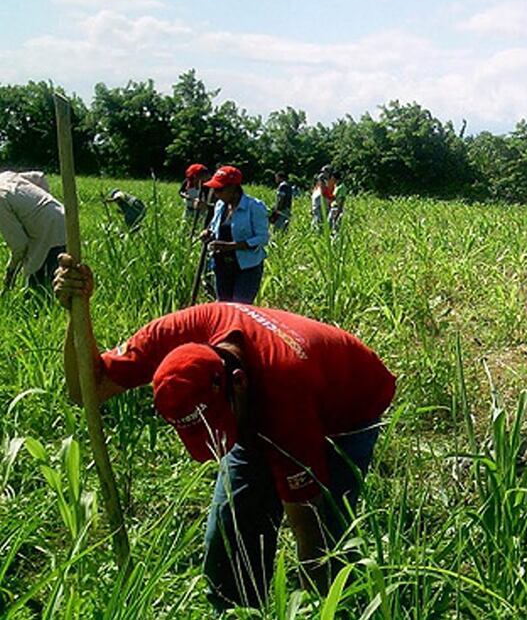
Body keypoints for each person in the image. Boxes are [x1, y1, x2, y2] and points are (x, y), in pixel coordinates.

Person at [52, 257, 396, 609]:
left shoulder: (284, 402)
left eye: (218, 429)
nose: (219, 448)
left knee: (328, 536)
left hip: (352, 403)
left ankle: (339, 608)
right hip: (270, 393)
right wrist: (75, 311)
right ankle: (236, 612)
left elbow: (308, 532)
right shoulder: (176, 334)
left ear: (238, 383)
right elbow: (84, 390)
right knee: (229, 534)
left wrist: (315, 607)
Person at [201, 166, 269, 304]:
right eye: (214, 189)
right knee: (224, 307)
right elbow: (215, 226)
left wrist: (231, 246)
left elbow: (262, 238)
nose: (215, 193)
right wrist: (208, 232)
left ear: (233, 189)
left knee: (240, 308)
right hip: (222, 265)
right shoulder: (220, 205)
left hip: (247, 267)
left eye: (220, 189)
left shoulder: (254, 207)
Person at [1, 171, 66, 296]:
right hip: (63, 216)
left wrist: (11, 271)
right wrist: (44, 207)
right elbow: (39, 177)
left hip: (48, 233)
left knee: (36, 295)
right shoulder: (6, 176)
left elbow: (20, 245)